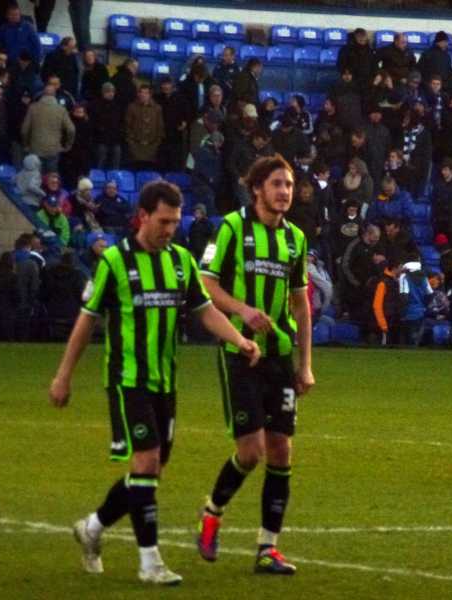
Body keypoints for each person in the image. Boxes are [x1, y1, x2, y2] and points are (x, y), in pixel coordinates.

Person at [49, 180, 261, 586]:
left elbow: (205, 310)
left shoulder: (181, 261)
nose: (170, 230)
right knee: (146, 461)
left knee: (150, 472)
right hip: (128, 380)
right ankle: (150, 562)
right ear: (142, 216)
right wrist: (63, 376)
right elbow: (86, 321)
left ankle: (93, 527)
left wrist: (238, 338)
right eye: (164, 221)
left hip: (166, 382)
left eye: (175, 222)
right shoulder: (113, 261)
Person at [196, 155, 314, 574]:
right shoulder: (231, 227)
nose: (285, 191)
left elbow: (301, 303)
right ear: (258, 188)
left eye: (289, 184)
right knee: (251, 452)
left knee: (281, 450)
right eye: (277, 184)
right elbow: (205, 284)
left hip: (280, 355)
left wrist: (305, 364)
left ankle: (268, 548)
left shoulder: (296, 239)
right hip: (241, 351)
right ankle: (212, 511)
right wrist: (243, 311)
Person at [21, 83, 76, 174]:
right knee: (51, 179)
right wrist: (68, 145)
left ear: (43, 93)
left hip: (35, 149)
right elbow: (71, 129)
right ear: (55, 94)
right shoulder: (61, 110)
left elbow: (24, 130)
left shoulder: (33, 108)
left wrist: (26, 145)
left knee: (35, 179)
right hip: (53, 150)